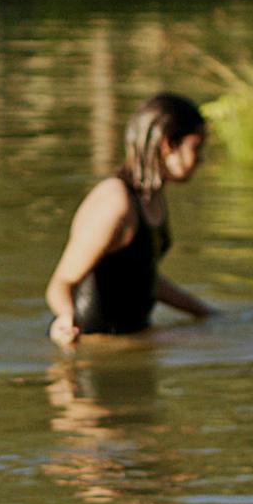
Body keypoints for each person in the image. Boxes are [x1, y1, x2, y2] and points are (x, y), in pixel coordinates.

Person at [45, 93, 215, 350]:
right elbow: (61, 282)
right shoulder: (116, 204)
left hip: (133, 340)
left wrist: (205, 313)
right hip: (95, 349)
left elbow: (141, 277)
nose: (201, 159)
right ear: (169, 144)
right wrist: (65, 320)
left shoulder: (152, 197)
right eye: (196, 148)